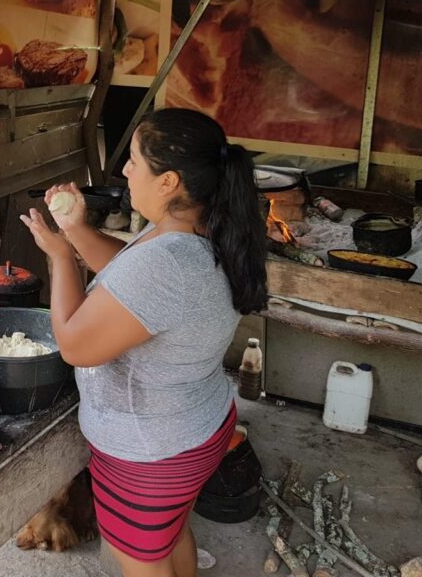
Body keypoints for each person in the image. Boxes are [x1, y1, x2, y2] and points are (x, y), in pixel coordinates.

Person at [20, 108, 268, 577]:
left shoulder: (169, 262)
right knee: (169, 536)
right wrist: (75, 230)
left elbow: (74, 343)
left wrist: (59, 258)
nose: (125, 171)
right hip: (198, 424)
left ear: (169, 181)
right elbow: (128, 277)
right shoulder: (197, 228)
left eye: (134, 160)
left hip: (151, 452)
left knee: (142, 561)